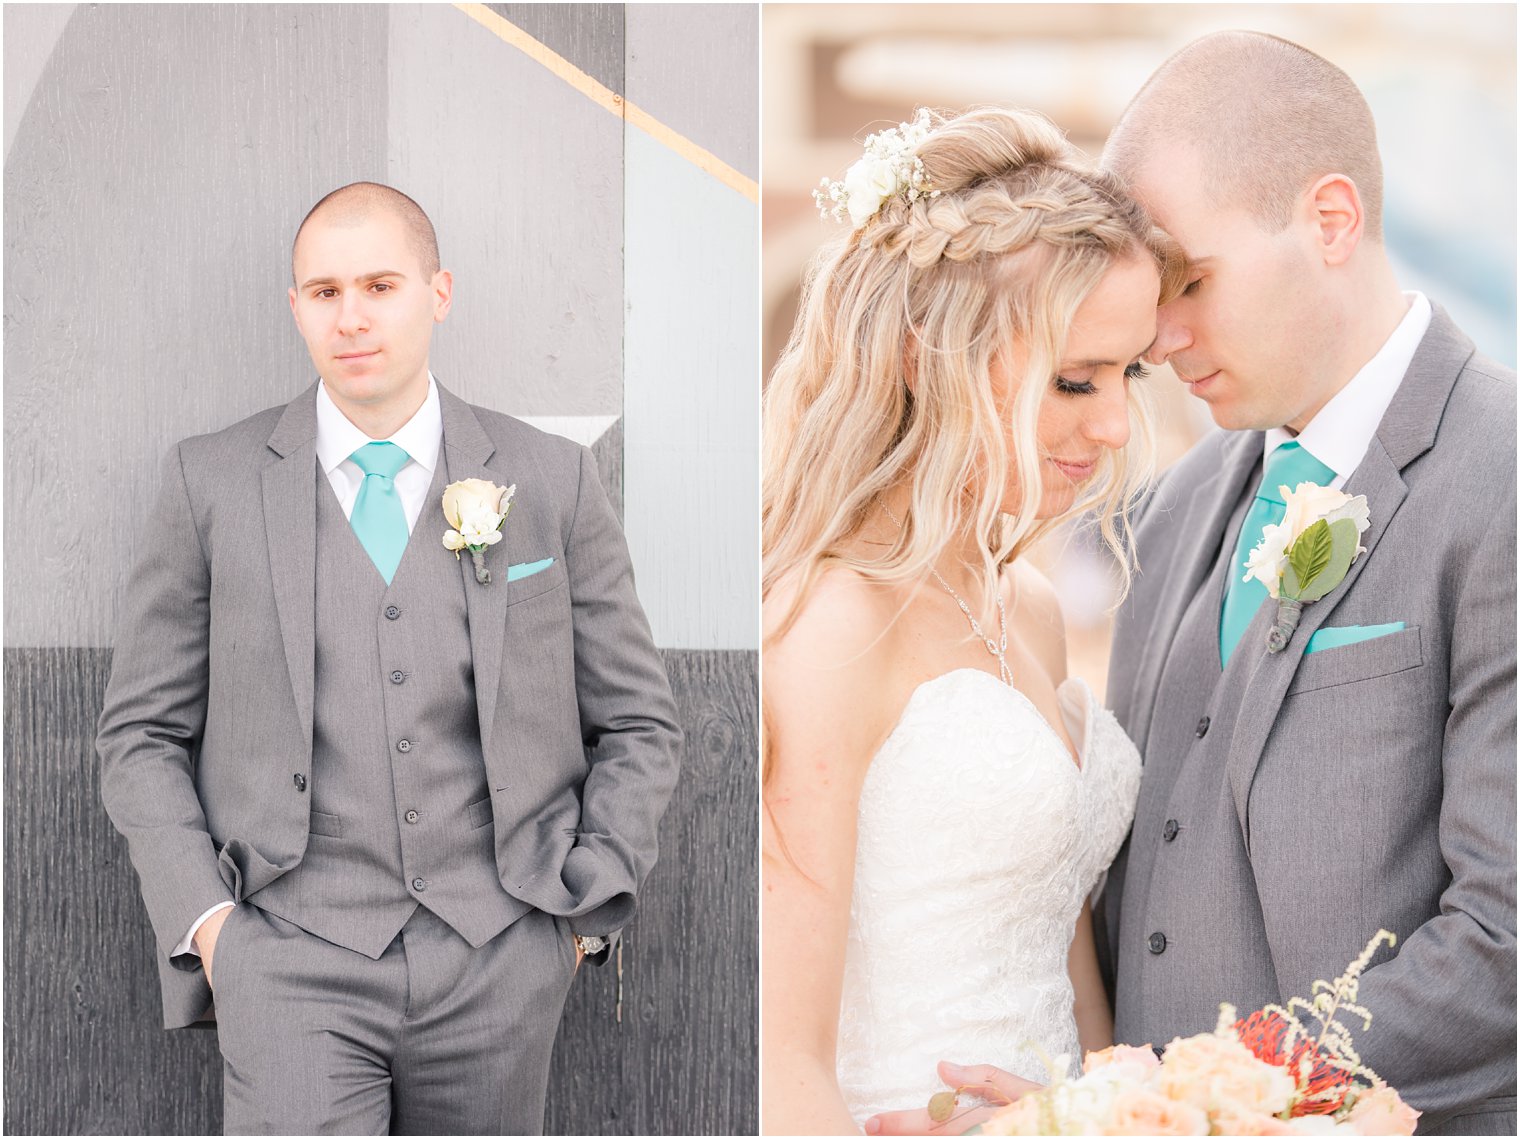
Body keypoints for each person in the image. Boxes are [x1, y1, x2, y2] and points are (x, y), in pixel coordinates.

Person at [869, 31, 1516, 1138]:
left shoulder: (1497, 476)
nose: (1158, 339)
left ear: (1328, 221)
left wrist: (1160, 1100)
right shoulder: (1171, 511)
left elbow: (1502, 942)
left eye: (1191, 282)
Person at [96, 182, 683, 1135]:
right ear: (295, 308)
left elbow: (638, 720)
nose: (352, 315)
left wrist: (576, 921)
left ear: (438, 292)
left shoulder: (548, 478)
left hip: (500, 956)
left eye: (380, 284)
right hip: (288, 954)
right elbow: (140, 733)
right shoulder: (211, 481)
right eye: (323, 292)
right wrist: (212, 928)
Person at [761, 107, 1182, 1134]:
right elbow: (775, 1062)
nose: (1114, 424)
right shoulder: (828, 624)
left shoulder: (1026, 610)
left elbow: (1056, 950)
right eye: (1072, 379)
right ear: (922, 355)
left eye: (1127, 372)